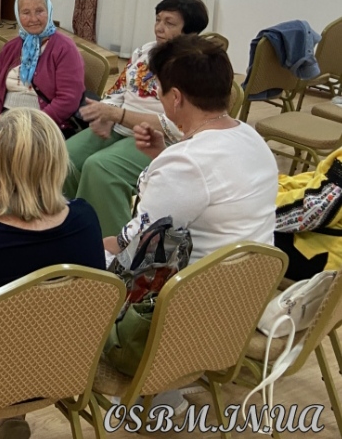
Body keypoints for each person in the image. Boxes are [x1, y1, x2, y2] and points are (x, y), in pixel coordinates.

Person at [0, 109, 105, 439]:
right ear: (57, 161)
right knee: (36, 318)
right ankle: (11, 418)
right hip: (65, 369)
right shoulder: (86, 218)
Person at [106, 36, 278, 264]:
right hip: (255, 277)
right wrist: (162, 155)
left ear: (175, 97)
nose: (158, 94)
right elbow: (204, 185)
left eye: (158, 87)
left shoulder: (185, 163)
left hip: (197, 282)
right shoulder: (251, 136)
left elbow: (134, 247)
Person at [63, 0, 209, 236]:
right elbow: (119, 89)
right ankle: (68, 228)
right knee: (63, 156)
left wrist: (117, 114)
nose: (159, 28)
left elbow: (180, 125)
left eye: (169, 23)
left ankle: (113, 245)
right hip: (120, 124)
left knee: (101, 168)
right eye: (158, 20)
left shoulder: (195, 66)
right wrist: (104, 115)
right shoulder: (145, 51)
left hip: (161, 138)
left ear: (190, 32)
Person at [0, 0, 84, 210]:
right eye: (26, 12)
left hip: (45, 120)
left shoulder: (64, 48)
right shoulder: (12, 47)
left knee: (21, 148)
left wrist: (33, 123)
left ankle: (22, 206)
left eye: (39, 11)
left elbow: (68, 99)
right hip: (6, 115)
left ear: (49, 11)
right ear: (18, 16)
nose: (33, 18)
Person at [276, 147, 342, 280]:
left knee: (240, 231)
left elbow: (312, 212)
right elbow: (319, 178)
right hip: (323, 240)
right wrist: (279, 185)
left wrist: (261, 202)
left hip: (326, 259)